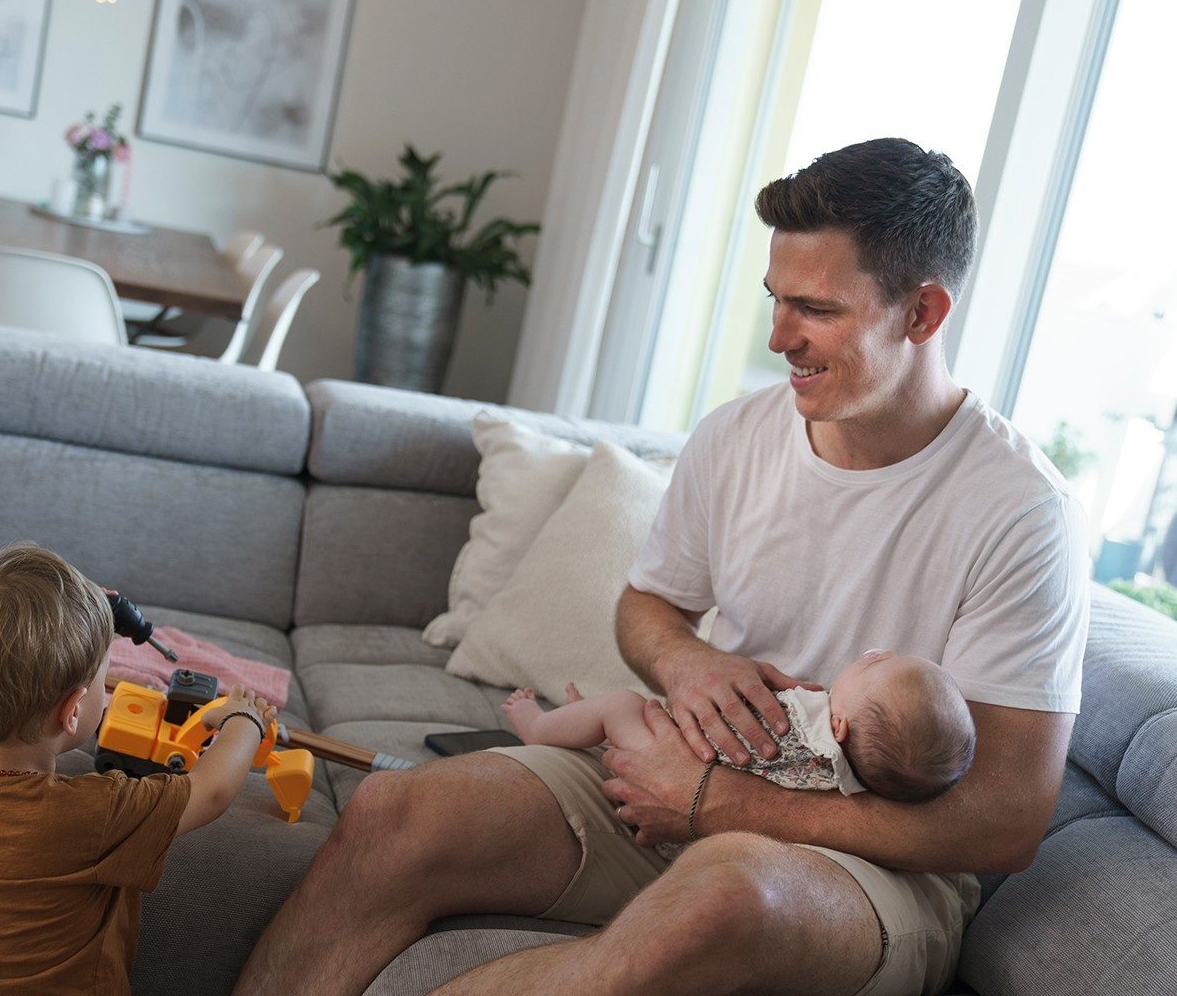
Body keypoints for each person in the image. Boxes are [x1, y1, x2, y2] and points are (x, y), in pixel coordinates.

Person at [236, 138, 1089, 996]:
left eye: (816, 309)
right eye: (774, 299)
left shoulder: (1021, 511)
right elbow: (648, 606)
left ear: (923, 313)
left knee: (724, 901)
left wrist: (723, 807)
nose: (778, 337)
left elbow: (1006, 822)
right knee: (395, 816)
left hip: (872, 866)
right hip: (682, 779)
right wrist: (688, 661)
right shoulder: (737, 435)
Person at [0, 541, 276, 996]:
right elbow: (212, 790)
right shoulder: (92, 814)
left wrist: (82, 614)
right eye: (104, 679)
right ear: (72, 712)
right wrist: (243, 718)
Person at [502, 648, 976, 803]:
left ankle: (539, 727)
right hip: (694, 777)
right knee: (623, 711)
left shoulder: (809, 718)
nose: (871, 654)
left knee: (624, 706)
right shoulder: (847, 780)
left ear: (839, 725)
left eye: (874, 666)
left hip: (668, 765)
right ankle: (583, 720)